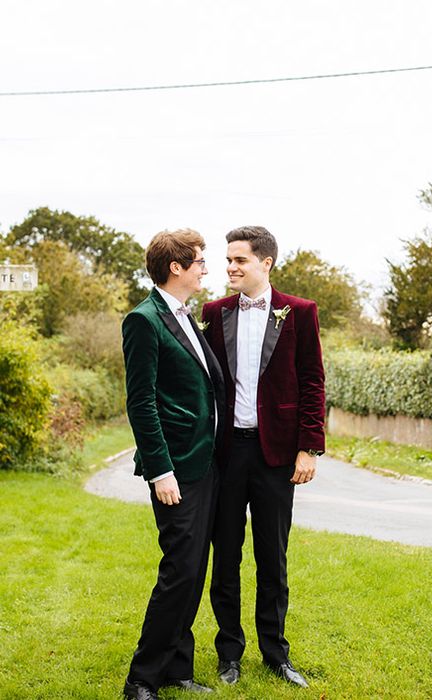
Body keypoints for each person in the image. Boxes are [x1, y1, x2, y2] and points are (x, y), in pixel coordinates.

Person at [202, 225, 325, 689]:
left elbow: (313, 381)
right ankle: (228, 654)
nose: (230, 268)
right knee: (226, 556)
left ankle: (276, 654)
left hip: (277, 456)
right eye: (228, 260)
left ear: (266, 263)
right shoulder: (213, 313)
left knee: (273, 558)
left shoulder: (299, 312)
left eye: (240, 260)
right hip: (227, 453)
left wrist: (308, 447)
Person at [121, 229, 225, 700]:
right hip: (176, 468)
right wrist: (162, 471)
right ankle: (141, 679)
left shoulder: (187, 316)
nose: (207, 268)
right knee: (179, 571)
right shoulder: (144, 320)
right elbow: (141, 403)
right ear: (176, 268)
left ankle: (178, 669)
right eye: (200, 261)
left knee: (194, 568)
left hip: (206, 464)